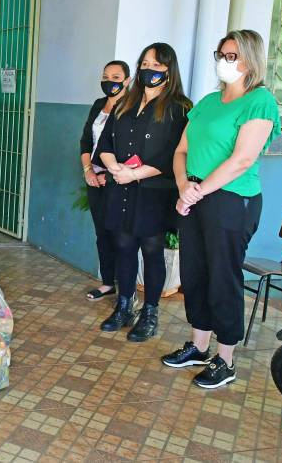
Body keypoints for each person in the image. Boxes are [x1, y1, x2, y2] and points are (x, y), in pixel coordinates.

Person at [162, 30, 281, 388]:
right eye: (221, 54)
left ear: (250, 59)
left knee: (223, 276)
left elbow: (242, 159)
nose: (224, 61)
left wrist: (196, 192)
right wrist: (184, 185)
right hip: (194, 193)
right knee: (195, 272)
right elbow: (181, 149)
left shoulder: (260, 101)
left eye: (233, 56)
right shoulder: (209, 102)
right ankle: (199, 345)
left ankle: (225, 359)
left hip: (231, 200)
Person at [97, 43, 192, 342]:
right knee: (123, 247)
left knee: (151, 252)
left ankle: (150, 312)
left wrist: (134, 174)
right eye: (145, 63)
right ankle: (124, 304)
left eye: (157, 65)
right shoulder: (125, 102)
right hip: (120, 187)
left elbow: (173, 154)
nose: (149, 69)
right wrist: (115, 169)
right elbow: (104, 145)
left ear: (169, 70)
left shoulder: (180, 108)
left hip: (153, 192)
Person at [80, 60, 130, 301]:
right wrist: (88, 171)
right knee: (102, 233)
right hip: (94, 179)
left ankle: (126, 289)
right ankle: (108, 282)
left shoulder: (131, 108)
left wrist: (107, 175)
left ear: (127, 81)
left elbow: (130, 152)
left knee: (120, 234)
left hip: (118, 180)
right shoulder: (99, 105)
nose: (110, 81)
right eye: (106, 76)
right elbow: (86, 141)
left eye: (116, 77)